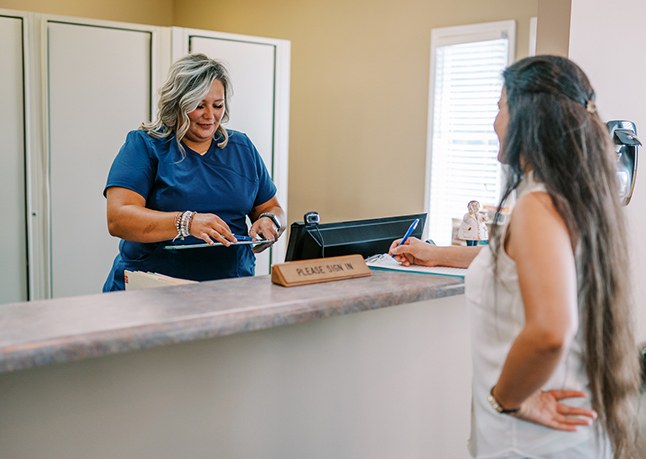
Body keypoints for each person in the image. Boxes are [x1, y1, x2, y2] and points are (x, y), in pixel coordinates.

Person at [390, 55, 641, 458]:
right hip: (571, 431)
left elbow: (551, 331)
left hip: (532, 441)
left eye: (499, 107)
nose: (494, 122)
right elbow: (516, 262)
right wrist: (432, 253)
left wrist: (507, 398)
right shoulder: (575, 195)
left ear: (528, 117)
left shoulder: (537, 205)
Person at [103, 53, 285, 291]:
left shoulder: (241, 148)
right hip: (153, 291)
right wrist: (186, 222)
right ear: (178, 103)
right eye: (199, 106)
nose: (210, 116)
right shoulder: (146, 145)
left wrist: (269, 221)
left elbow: (272, 207)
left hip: (230, 289)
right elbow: (118, 219)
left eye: (217, 105)